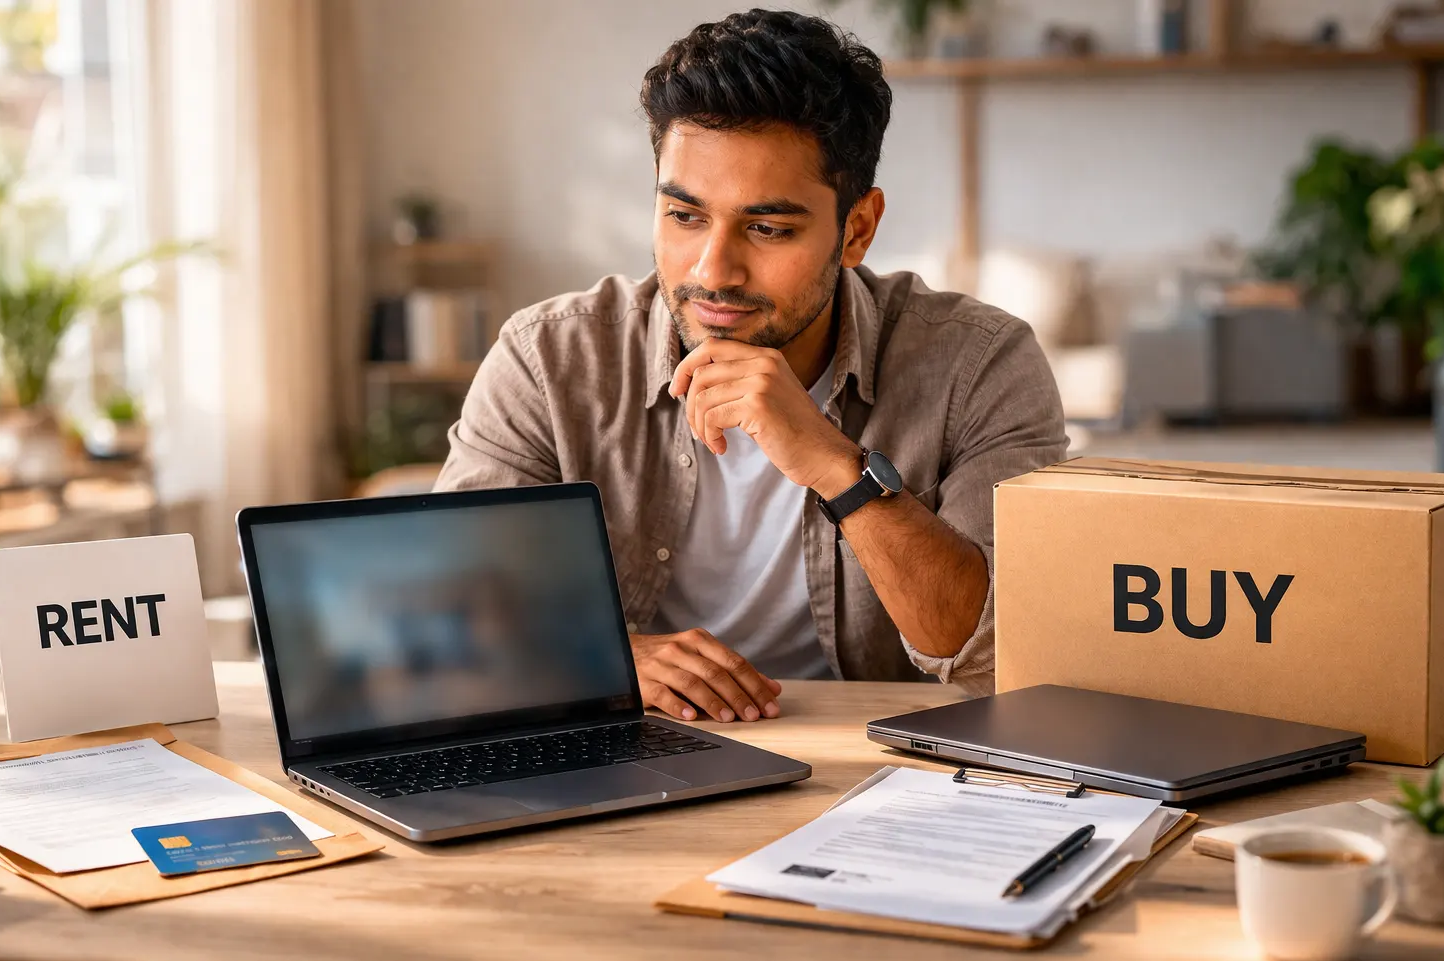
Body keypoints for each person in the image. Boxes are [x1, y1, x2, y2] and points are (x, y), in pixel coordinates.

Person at [435, 9, 1067, 724]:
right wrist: (606, 656)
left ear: (856, 228)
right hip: (631, 750)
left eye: (767, 228)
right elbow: (451, 617)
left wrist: (837, 468)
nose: (714, 271)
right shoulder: (549, 359)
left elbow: (997, 655)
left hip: (878, 768)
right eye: (684, 216)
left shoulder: (979, 364)